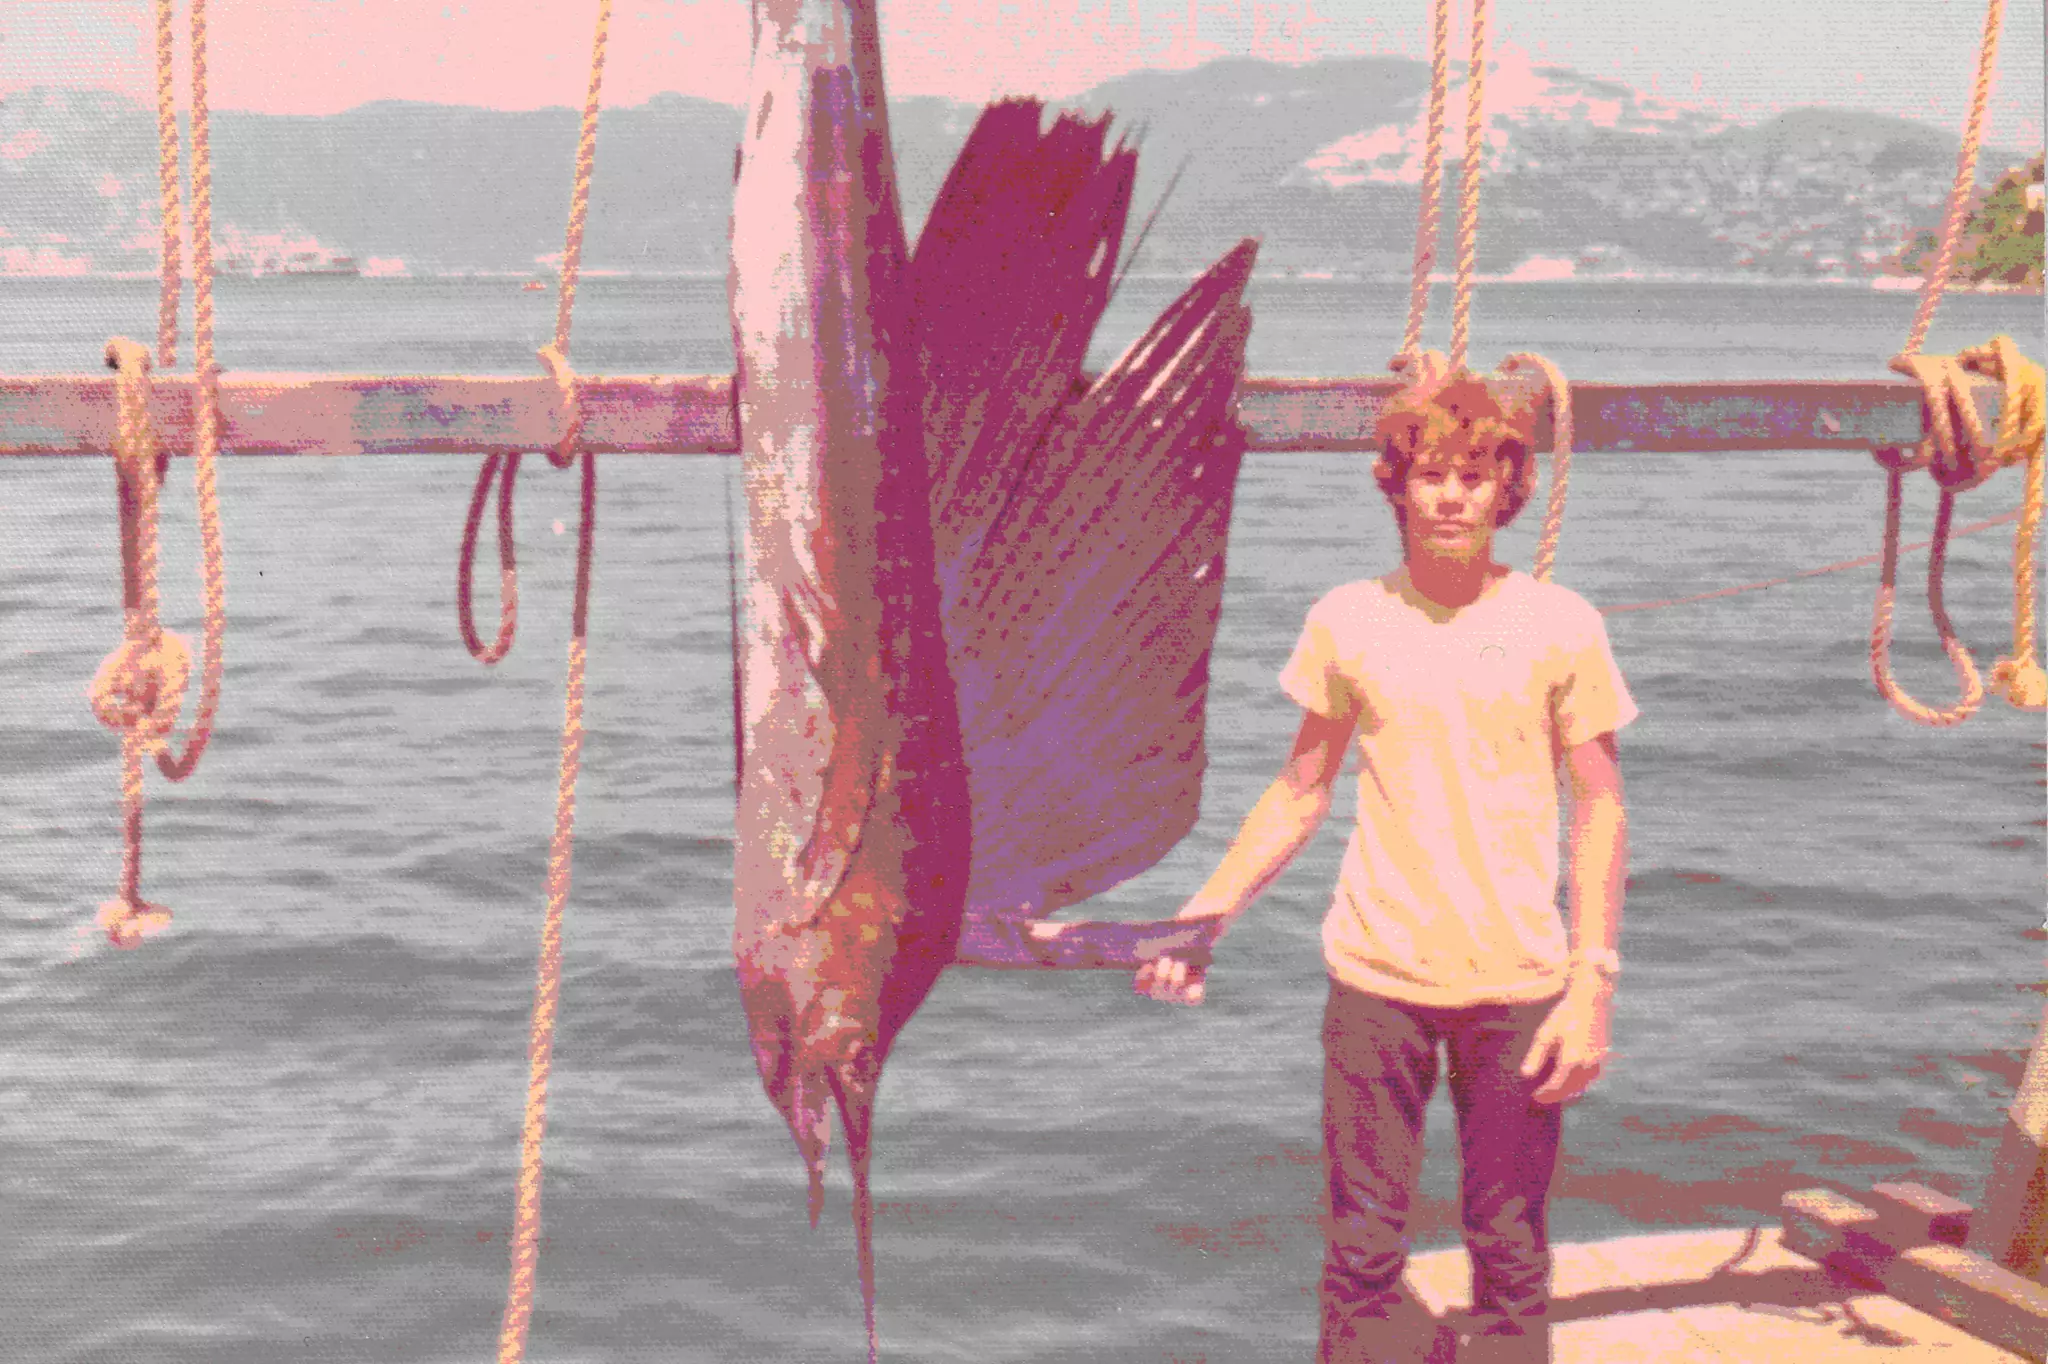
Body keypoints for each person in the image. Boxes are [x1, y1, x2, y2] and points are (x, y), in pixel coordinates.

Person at [1136, 366, 1635, 1364]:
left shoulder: (1562, 624)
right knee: (1360, 1254)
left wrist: (1593, 983)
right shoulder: (1346, 619)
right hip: (1374, 981)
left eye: (1473, 476)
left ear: (1507, 489)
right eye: (1430, 475)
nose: (1450, 497)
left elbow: (1600, 806)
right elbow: (1299, 790)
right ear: (1395, 486)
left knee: (1510, 1250)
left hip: (1518, 984)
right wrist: (1202, 917)